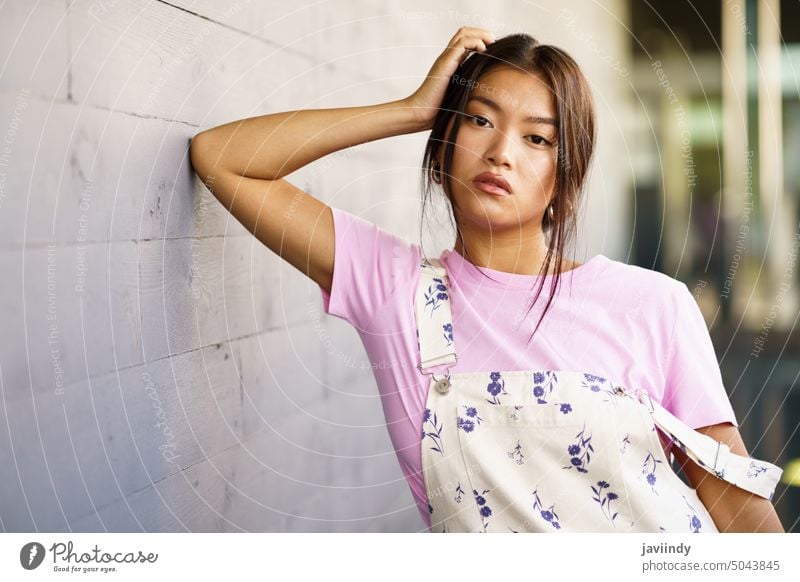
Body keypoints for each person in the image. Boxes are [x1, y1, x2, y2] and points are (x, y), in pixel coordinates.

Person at [189, 26, 784, 533]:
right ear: (446, 141)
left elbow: (736, 506)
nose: (501, 152)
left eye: (536, 138)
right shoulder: (395, 292)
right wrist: (411, 111)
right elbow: (223, 157)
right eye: (478, 120)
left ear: (565, 173)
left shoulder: (652, 304)